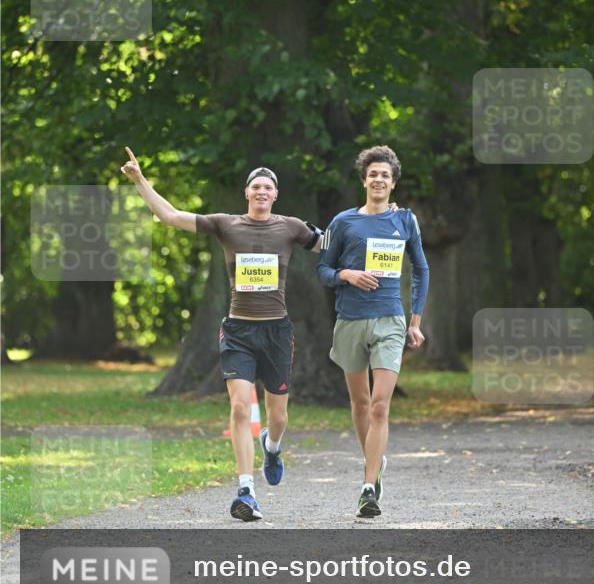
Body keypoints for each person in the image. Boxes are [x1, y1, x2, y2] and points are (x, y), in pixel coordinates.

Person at [120, 148, 322, 523]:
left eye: (268, 187)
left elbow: (329, 243)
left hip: (277, 331)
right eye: (255, 186)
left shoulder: (291, 226)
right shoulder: (225, 224)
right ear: (247, 192)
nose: (262, 192)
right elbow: (169, 216)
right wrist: (139, 180)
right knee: (240, 408)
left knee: (278, 417)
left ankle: (272, 448)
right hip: (238, 330)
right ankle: (246, 489)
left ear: (275, 195)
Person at [317, 145, 429, 518]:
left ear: (393, 183)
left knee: (381, 404)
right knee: (361, 403)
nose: (378, 179)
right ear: (364, 180)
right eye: (373, 174)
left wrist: (415, 321)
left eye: (385, 174)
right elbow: (323, 270)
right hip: (350, 319)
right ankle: (375, 462)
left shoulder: (405, 221)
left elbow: (422, 270)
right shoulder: (343, 222)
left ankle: (368, 488)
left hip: (389, 321)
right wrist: (346, 275)